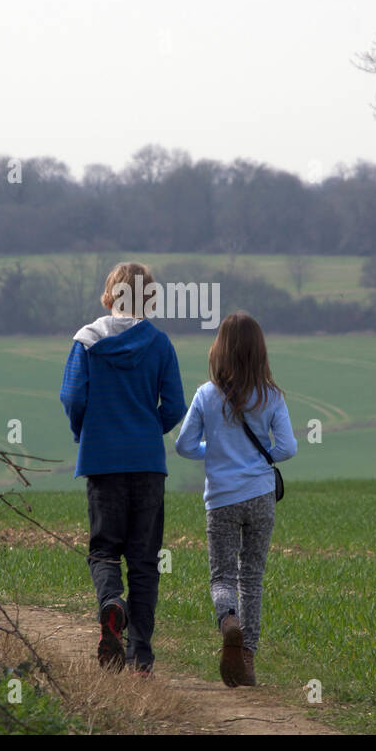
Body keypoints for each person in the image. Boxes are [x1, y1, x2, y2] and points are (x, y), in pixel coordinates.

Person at [60, 261, 186, 675]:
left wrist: (88, 432)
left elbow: (73, 397)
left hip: (102, 461)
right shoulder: (161, 344)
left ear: (110, 295)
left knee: (103, 550)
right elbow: (175, 408)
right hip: (148, 465)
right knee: (145, 561)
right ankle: (141, 657)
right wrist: (150, 430)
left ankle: (111, 603)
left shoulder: (86, 342)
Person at [175, 311, 295, 687]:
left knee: (222, 575)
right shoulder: (271, 396)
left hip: (222, 500)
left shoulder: (206, 395)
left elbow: (184, 446)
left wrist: (216, 451)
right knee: (252, 577)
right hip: (260, 496)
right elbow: (288, 448)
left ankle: (229, 621)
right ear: (260, 352)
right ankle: (247, 659)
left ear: (219, 350)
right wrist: (257, 459)